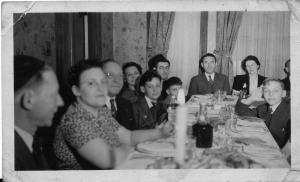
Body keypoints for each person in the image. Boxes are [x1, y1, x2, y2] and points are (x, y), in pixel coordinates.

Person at [53, 60, 173, 170]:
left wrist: (161, 132)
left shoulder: (100, 111)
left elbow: (129, 137)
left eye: (103, 82)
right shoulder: (74, 120)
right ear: (76, 90)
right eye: (91, 83)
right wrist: (133, 147)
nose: (101, 89)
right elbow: (108, 160)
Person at [14, 55, 64, 170]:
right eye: (53, 95)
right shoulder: (11, 157)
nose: (60, 102)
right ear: (28, 100)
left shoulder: (30, 143)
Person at [235, 79, 290, 148]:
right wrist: (251, 98)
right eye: (266, 91)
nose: (271, 94)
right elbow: (240, 112)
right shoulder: (263, 108)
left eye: (275, 90)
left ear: (283, 93)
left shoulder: (290, 111)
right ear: (263, 93)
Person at [102, 59, 135, 130]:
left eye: (120, 76)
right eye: (110, 75)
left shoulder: (126, 104)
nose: (116, 80)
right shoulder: (89, 107)